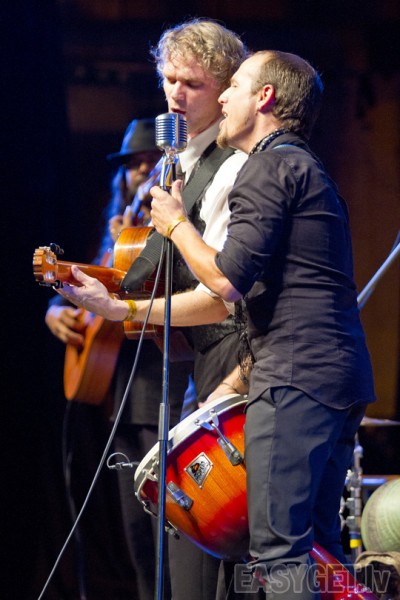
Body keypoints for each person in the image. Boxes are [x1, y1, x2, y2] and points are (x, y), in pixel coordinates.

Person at [146, 50, 377, 598]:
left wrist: (176, 225)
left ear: (265, 97)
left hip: (296, 377)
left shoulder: (268, 165)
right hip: (340, 378)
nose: (224, 97)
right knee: (318, 545)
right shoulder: (306, 167)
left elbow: (227, 279)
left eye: (235, 86)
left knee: (279, 551)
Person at [53, 18, 254, 600]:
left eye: (190, 83)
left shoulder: (234, 165)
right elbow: (135, 278)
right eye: (168, 80)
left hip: (221, 368)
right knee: (161, 551)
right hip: (179, 374)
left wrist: (125, 309)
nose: (174, 93)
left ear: (225, 88)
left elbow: (223, 288)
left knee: (211, 559)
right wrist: (76, 298)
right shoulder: (175, 167)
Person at [45, 117, 189, 600]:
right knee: (137, 541)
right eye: (133, 165)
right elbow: (85, 292)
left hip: (164, 394)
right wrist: (54, 310)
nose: (142, 171)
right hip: (120, 399)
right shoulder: (116, 234)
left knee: (170, 537)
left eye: (150, 161)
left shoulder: (176, 232)